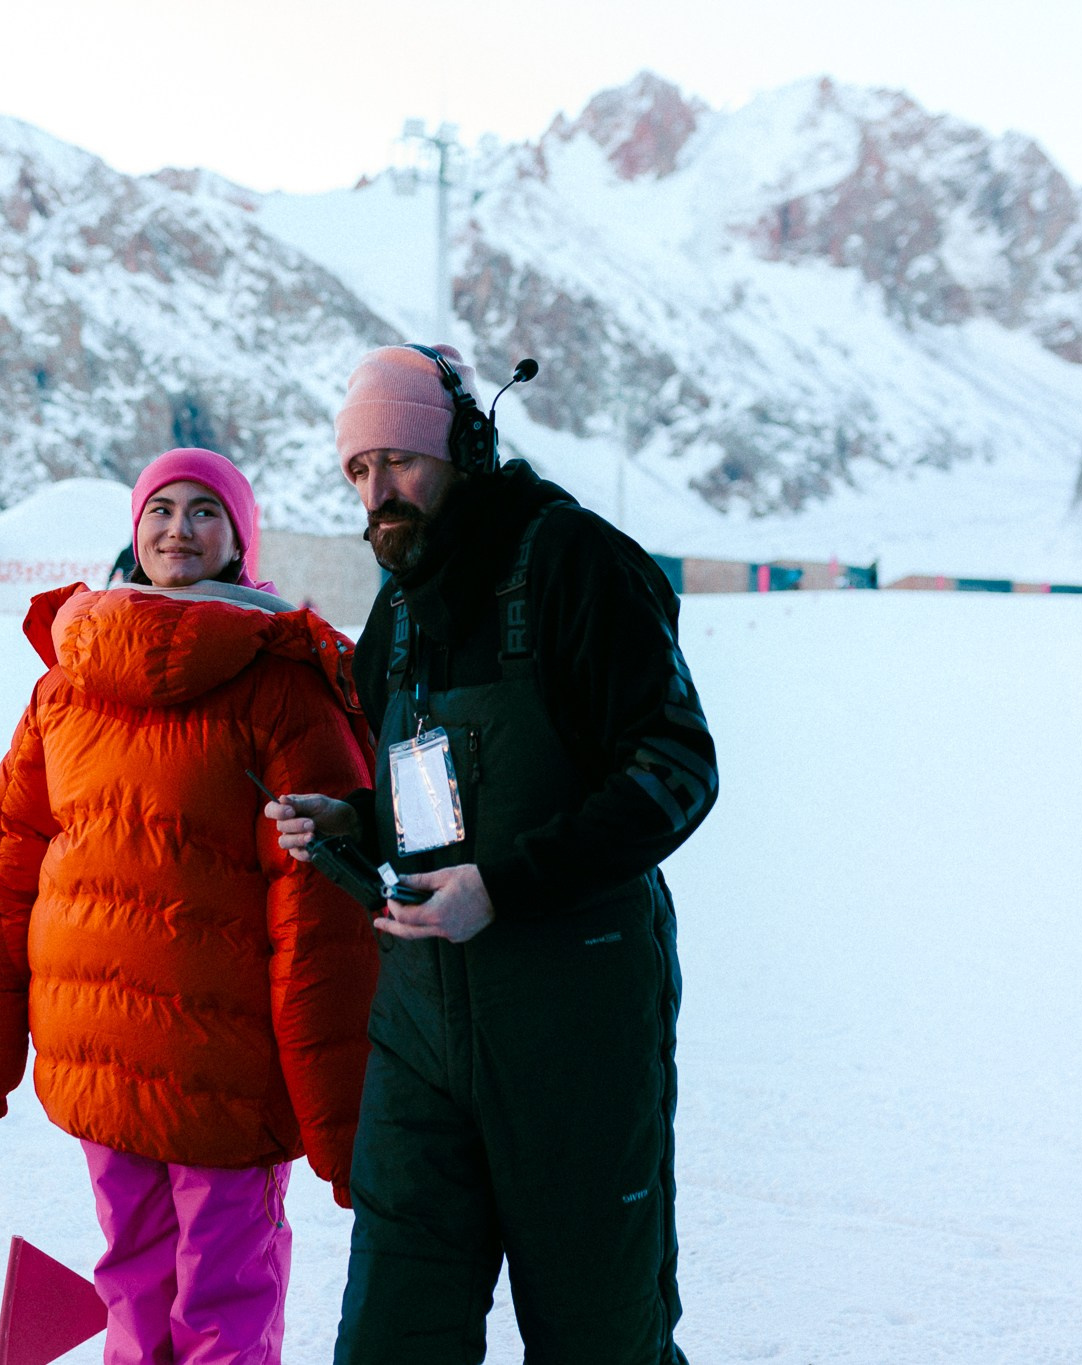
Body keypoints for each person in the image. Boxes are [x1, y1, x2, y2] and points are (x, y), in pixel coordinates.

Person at [267, 344, 720, 1364]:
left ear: (464, 448)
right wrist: (351, 822)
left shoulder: (572, 563)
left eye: (400, 461)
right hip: (422, 1032)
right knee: (391, 1336)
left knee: (598, 1335)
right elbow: (429, 810)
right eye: (355, 470)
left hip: (573, 1025)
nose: (377, 494)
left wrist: (507, 888)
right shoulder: (393, 618)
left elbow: (675, 767)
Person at [0, 448, 378, 1365]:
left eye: (203, 511)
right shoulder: (69, 685)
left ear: (239, 540)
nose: (179, 528)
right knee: (168, 1283)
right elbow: (3, 871)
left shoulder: (281, 683)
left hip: (209, 1064)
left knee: (187, 1283)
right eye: (161, 511)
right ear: (134, 534)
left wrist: (340, 1115)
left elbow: (319, 917)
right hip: (137, 1062)